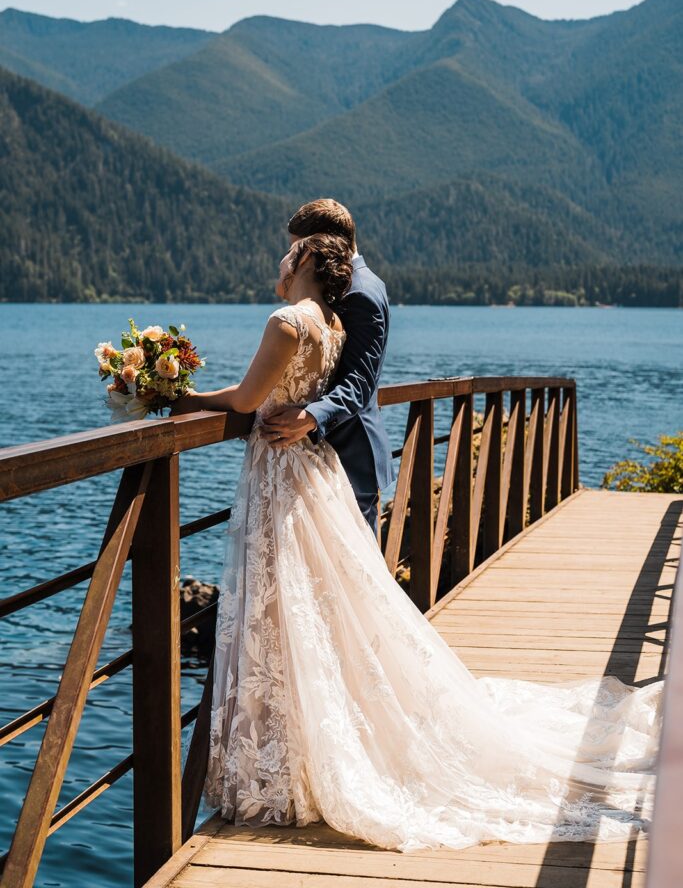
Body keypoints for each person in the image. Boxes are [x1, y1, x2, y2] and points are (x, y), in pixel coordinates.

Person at [173, 230, 662, 853]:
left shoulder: (286, 322)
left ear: (302, 262)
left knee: (280, 616)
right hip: (310, 474)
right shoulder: (329, 323)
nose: (277, 257)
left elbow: (245, 402)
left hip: (280, 478)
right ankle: (295, 759)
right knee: (306, 616)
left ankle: (285, 769)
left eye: (286, 250)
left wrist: (167, 396)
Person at [260, 199, 394, 534]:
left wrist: (311, 416)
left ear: (318, 244)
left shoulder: (360, 291)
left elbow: (360, 381)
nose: (293, 259)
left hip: (351, 451)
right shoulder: (348, 284)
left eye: (297, 249)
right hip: (325, 452)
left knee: (356, 572)